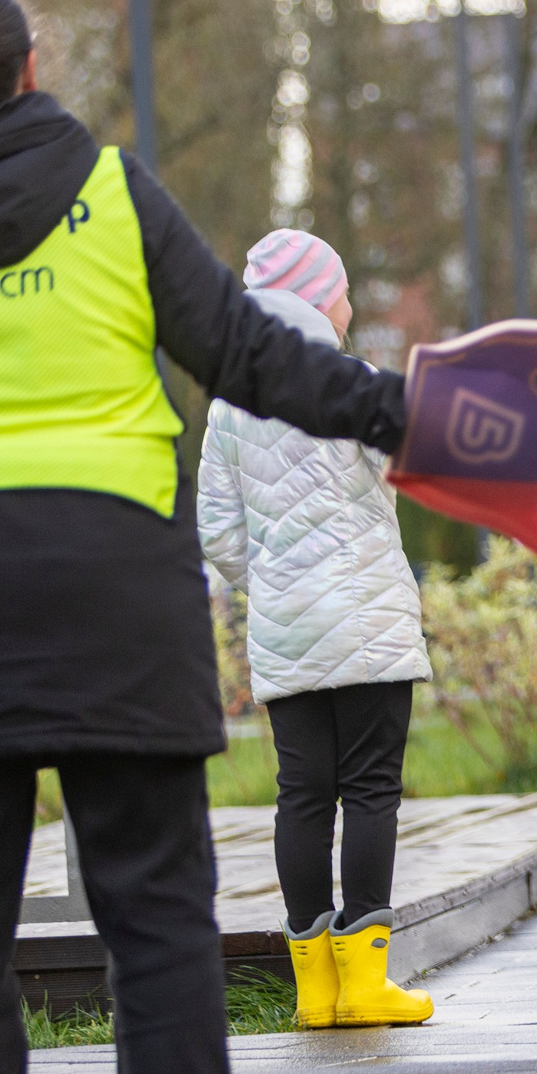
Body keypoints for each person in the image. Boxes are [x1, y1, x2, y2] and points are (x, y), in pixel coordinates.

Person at [0, 0, 407, 1074]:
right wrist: (406, 416)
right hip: (112, 594)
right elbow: (252, 353)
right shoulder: (109, 194)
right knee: (154, 907)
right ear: (33, 68)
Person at [197, 229, 434, 1030]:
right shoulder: (355, 382)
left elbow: (217, 528)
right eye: (340, 295)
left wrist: (268, 583)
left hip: (285, 623)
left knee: (302, 794)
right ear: (312, 302)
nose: (351, 307)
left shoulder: (230, 405)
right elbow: (406, 463)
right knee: (370, 788)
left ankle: (314, 992)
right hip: (368, 615)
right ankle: (367, 982)